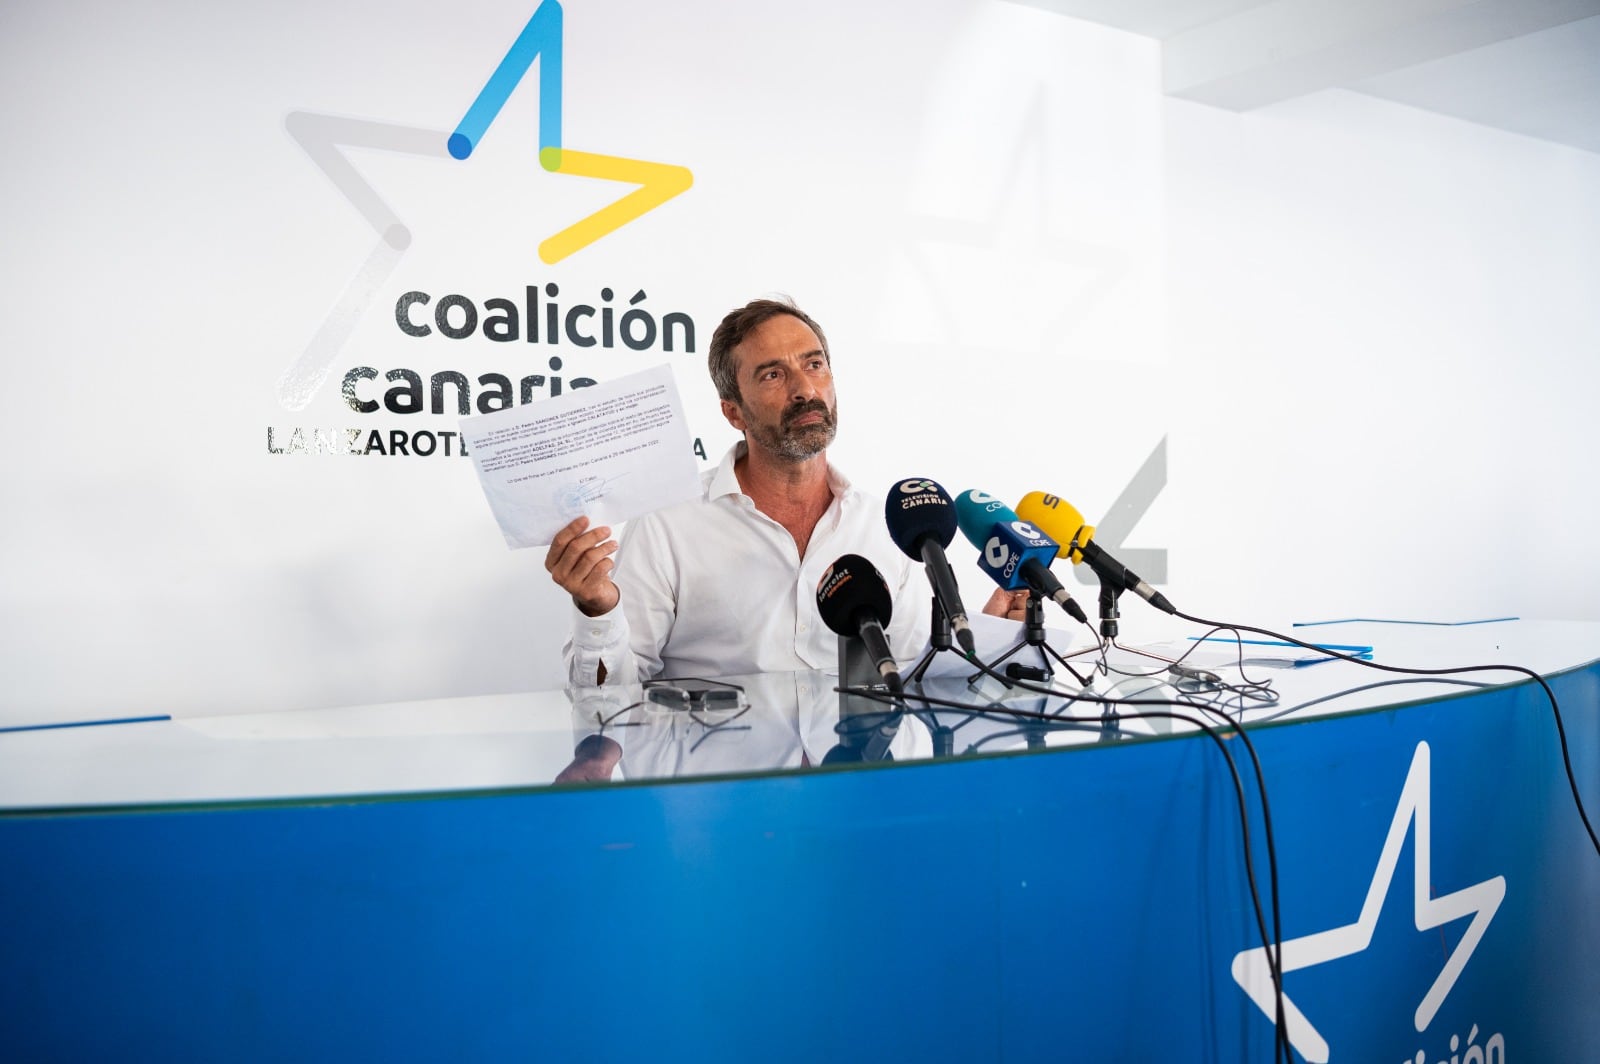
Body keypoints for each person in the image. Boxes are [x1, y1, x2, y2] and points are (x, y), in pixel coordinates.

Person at [544, 296, 1022, 687]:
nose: (804, 389)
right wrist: (598, 610)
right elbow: (607, 697)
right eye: (773, 374)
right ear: (733, 412)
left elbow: (910, 675)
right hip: (723, 793)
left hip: (852, 791)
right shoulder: (669, 522)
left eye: (814, 365)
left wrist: (990, 642)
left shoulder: (884, 524)